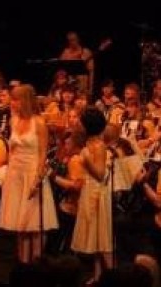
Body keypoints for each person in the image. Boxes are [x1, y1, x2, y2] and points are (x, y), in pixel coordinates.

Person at [0, 84, 58, 263]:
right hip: (16, 174)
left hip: (32, 173)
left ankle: (36, 263)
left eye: (16, 100)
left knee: (34, 222)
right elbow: (12, 151)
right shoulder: (14, 120)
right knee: (20, 222)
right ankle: (23, 263)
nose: (12, 103)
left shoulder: (38, 123)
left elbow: (42, 154)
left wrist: (37, 180)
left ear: (25, 101)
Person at [71, 106, 112, 283]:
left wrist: (87, 161)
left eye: (81, 122)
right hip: (89, 189)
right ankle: (98, 275)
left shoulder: (99, 146)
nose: (78, 124)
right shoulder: (88, 143)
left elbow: (101, 174)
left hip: (97, 193)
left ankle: (113, 276)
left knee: (102, 238)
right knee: (95, 237)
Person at [59, 31, 94, 99]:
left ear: (78, 40)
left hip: (82, 87)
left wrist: (90, 89)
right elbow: (60, 71)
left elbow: (91, 72)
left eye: (73, 40)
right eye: (69, 40)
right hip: (68, 89)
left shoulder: (86, 52)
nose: (71, 42)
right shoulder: (65, 53)